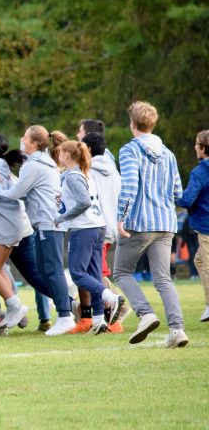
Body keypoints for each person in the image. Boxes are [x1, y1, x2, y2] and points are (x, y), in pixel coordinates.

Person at [114, 101, 188, 347]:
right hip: (166, 223)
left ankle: (145, 314)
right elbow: (177, 192)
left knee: (121, 272)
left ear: (132, 123)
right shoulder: (169, 154)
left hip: (139, 222)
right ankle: (177, 330)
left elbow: (129, 185)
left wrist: (121, 216)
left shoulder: (129, 150)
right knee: (163, 278)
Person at [0, 126, 74, 336]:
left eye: (25, 137)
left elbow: (15, 193)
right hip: (44, 223)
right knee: (44, 271)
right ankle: (69, 306)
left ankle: (65, 315)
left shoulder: (34, 165)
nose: (21, 140)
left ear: (35, 143)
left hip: (48, 222)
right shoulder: (41, 162)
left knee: (53, 270)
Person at [54, 141, 125, 334]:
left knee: (77, 273)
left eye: (60, 153)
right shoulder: (84, 173)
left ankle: (110, 297)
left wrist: (62, 217)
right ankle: (99, 319)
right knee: (94, 274)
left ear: (68, 155)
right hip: (97, 226)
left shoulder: (73, 176)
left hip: (84, 228)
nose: (58, 155)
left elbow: (84, 202)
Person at [0, 134, 37, 331]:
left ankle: (15, 306)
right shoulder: (5, 169)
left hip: (3, 226)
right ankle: (14, 306)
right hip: (16, 225)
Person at [83, 131, 128, 332]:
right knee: (95, 271)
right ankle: (108, 314)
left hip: (96, 227)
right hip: (111, 227)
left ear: (88, 149)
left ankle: (116, 312)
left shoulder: (89, 172)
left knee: (95, 273)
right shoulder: (114, 171)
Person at [176, 129, 209, 322]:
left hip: (206, 226)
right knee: (199, 260)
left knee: (206, 263)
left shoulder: (199, 172)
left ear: (203, 148)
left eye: (197, 144)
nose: (195, 147)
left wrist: (173, 196)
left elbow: (187, 200)